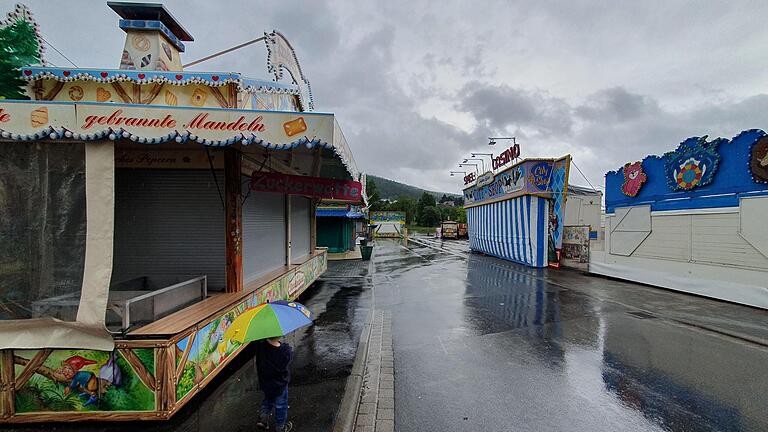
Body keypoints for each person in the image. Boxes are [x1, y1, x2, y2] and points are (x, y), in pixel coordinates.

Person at [255, 336, 294, 432]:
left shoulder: (261, 347)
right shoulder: (284, 350)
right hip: (280, 385)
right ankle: (281, 427)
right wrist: (285, 346)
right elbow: (288, 355)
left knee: (268, 400)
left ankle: (263, 420)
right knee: (281, 406)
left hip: (266, 383)